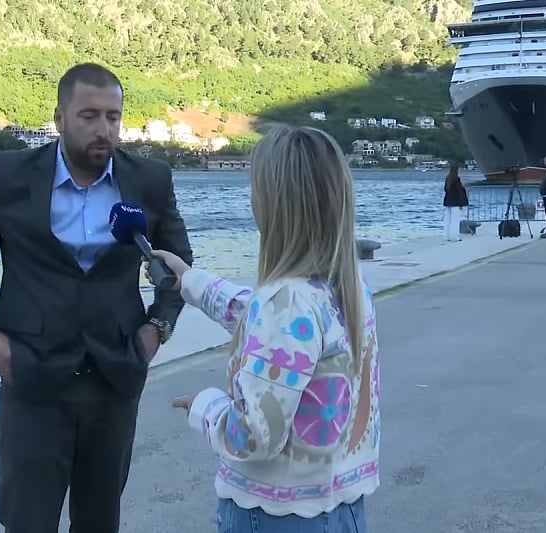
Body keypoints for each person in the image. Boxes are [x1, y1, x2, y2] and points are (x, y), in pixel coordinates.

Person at [0, 62, 193, 533]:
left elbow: (178, 266)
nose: (104, 129)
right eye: (89, 116)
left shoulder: (150, 180)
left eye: (113, 117)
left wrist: (157, 330)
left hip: (116, 376)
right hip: (31, 376)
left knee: (99, 522)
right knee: (27, 520)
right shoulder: (9, 176)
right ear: (59, 119)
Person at [148, 125, 380, 532]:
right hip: (343, 510)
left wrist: (206, 406)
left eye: (255, 187)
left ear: (275, 204)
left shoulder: (284, 303)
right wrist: (190, 281)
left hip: (276, 516)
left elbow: (254, 437)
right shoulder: (346, 287)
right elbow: (274, 327)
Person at [442, 162, 468, 242]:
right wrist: (461, 203)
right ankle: (454, 236)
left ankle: (447, 235)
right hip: (455, 202)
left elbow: (445, 189)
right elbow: (459, 192)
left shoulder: (448, 178)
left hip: (448, 201)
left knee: (448, 219)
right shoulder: (456, 179)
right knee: (455, 220)